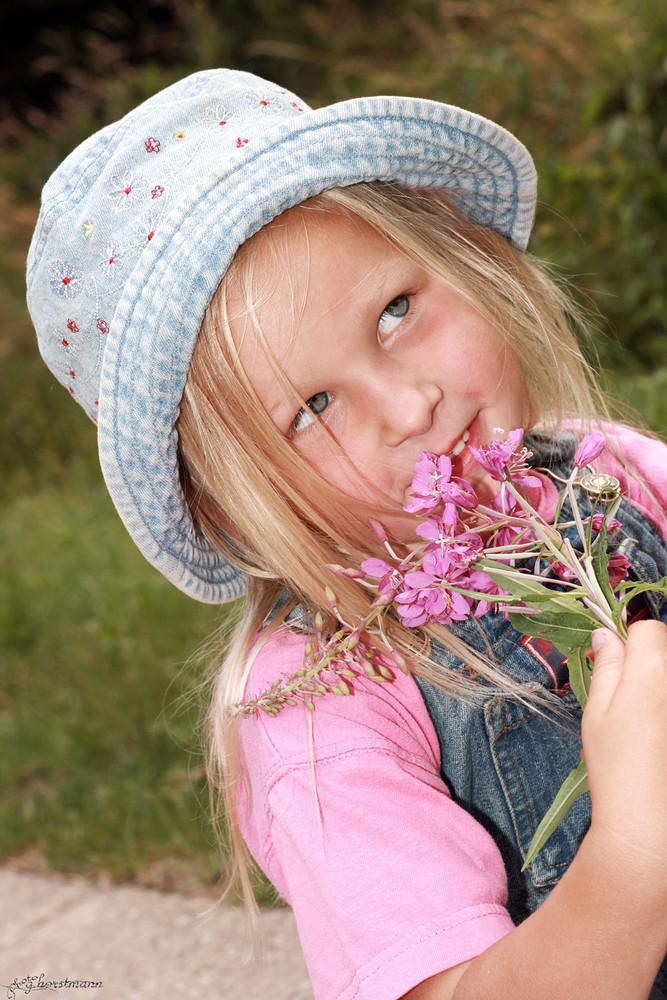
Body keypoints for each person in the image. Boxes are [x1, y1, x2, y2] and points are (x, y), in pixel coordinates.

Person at [26, 69, 667, 999]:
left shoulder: (609, 472)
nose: (411, 407)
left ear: (464, 260)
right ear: (232, 504)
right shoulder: (323, 714)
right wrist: (634, 863)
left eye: (397, 312)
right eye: (311, 407)